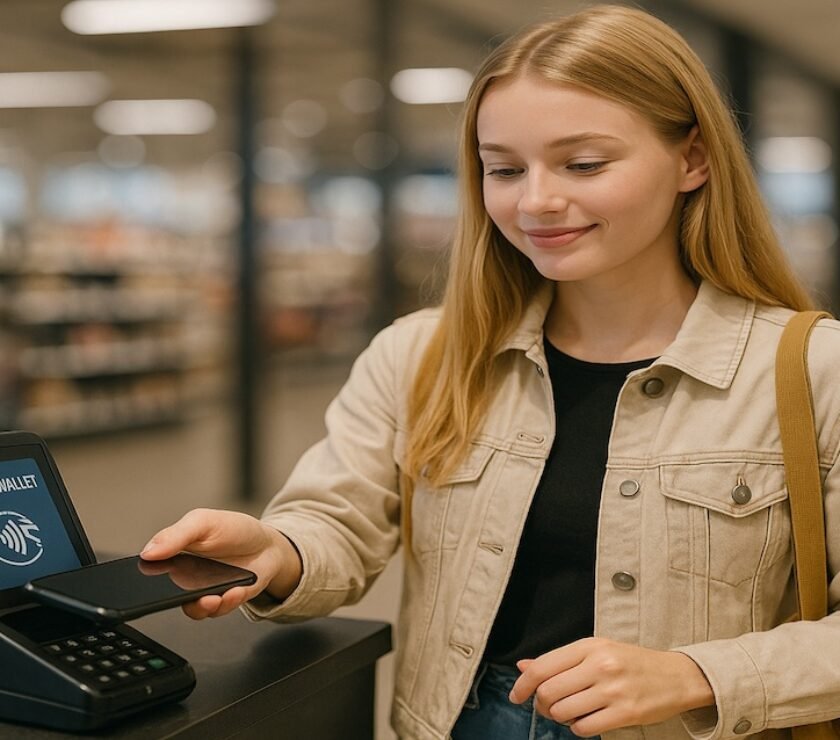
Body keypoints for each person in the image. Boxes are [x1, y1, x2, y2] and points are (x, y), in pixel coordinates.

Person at [141, 5, 840, 739]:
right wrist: (275, 552)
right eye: (503, 168)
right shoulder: (422, 355)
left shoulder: (811, 370)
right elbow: (337, 522)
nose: (535, 200)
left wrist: (698, 674)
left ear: (692, 161)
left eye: (584, 163)